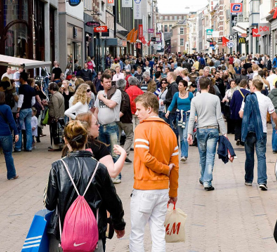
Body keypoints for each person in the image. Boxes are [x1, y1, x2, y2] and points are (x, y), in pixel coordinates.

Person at [46, 121, 127, 252]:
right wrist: (119, 225)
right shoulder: (99, 168)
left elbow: (49, 203)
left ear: (65, 140)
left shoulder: (58, 167)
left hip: (65, 236)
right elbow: (112, 201)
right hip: (94, 234)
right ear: (86, 140)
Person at [129, 92, 180, 252]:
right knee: (158, 233)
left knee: (137, 233)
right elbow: (175, 166)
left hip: (144, 188)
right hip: (163, 189)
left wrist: (164, 169)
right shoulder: (170, 131)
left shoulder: (141, 129)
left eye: (138, 110)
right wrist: (173, 191)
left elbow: (145, 156)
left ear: (149, 109)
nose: (136, 113)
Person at [242, 79, 271, 191]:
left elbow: (241, 113)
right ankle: (262, 181)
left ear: (253, 87)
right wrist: (276, 126)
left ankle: (249, 180)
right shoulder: (266, 99)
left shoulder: (247, 98)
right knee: (261, 156)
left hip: (249, 131)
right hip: (261, 131)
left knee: (249, 156)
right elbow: (273, 114)